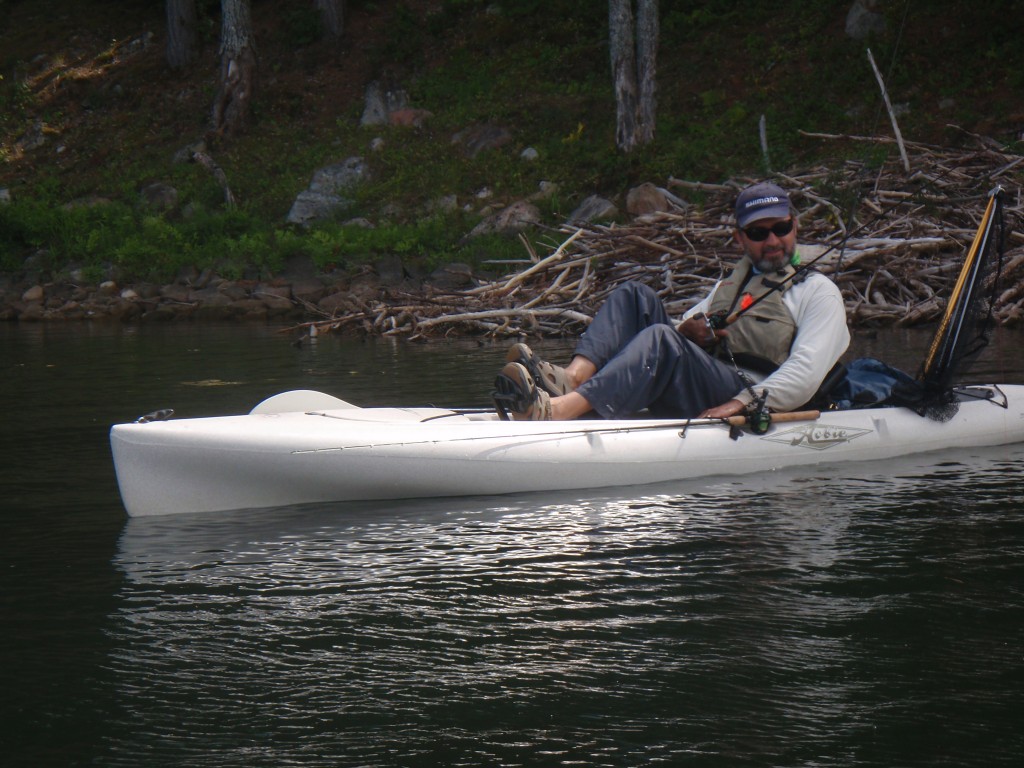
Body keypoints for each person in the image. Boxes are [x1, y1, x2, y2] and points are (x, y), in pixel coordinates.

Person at [493, 181, 850, 421]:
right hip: (705, 378)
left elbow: (805, 375)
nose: (772, 240)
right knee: (635, 295)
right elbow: (681, 333)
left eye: (781, 228)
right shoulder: (733, 282)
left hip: (751, 392)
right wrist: (688, 331)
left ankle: (557, 411)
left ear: (795, 226)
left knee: (660, 342)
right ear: (740, 238)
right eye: (758, 232)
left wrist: (741, 403)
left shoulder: (819, 292)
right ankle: (571, 380)